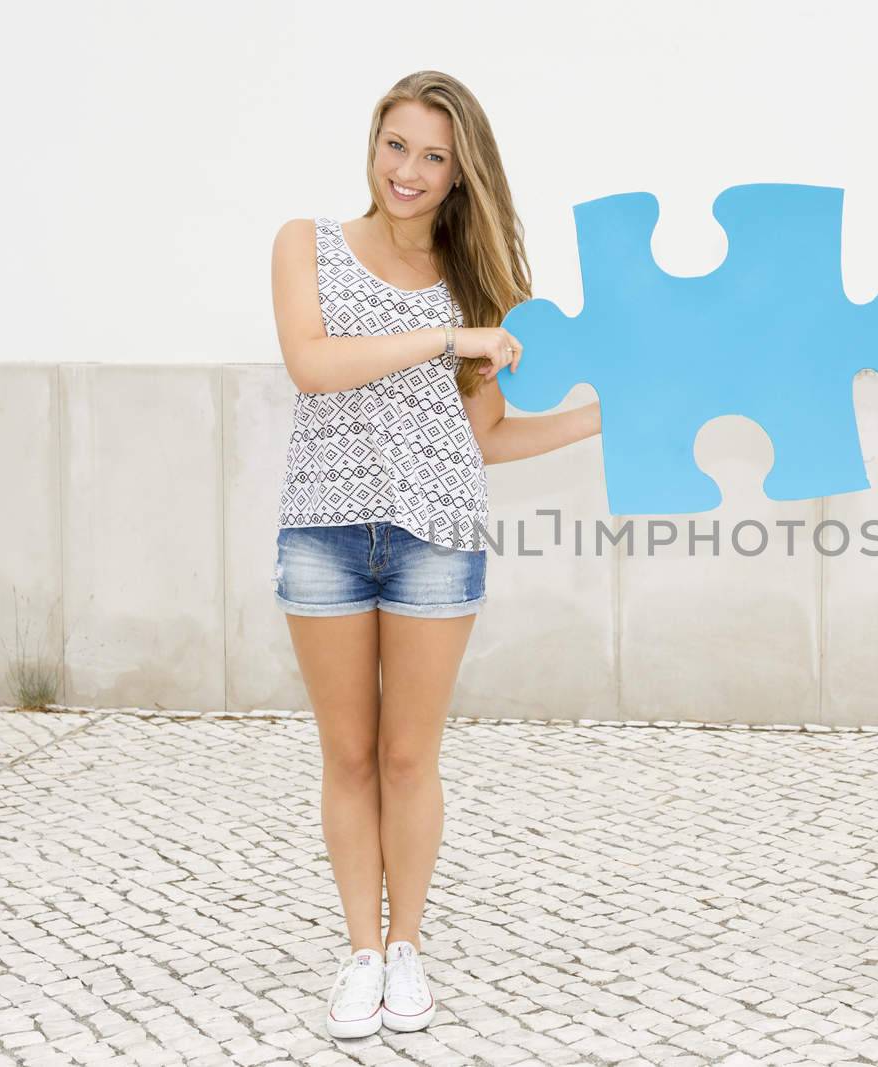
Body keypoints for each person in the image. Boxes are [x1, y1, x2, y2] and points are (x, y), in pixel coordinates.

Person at [268, 70, 601, 1039]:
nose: (407, 169)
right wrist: (446, 335)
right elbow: (312, 361)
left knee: (410, 756)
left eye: (433, 156)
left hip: (435, 539)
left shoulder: (484, 288)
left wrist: (602, 420)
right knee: (350, 754)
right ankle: (359, 950)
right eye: (396, 145)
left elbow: (482, 436)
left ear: (462, 175)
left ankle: (404, 945)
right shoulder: (309, 245)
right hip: (325, 532)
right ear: (373, 145)